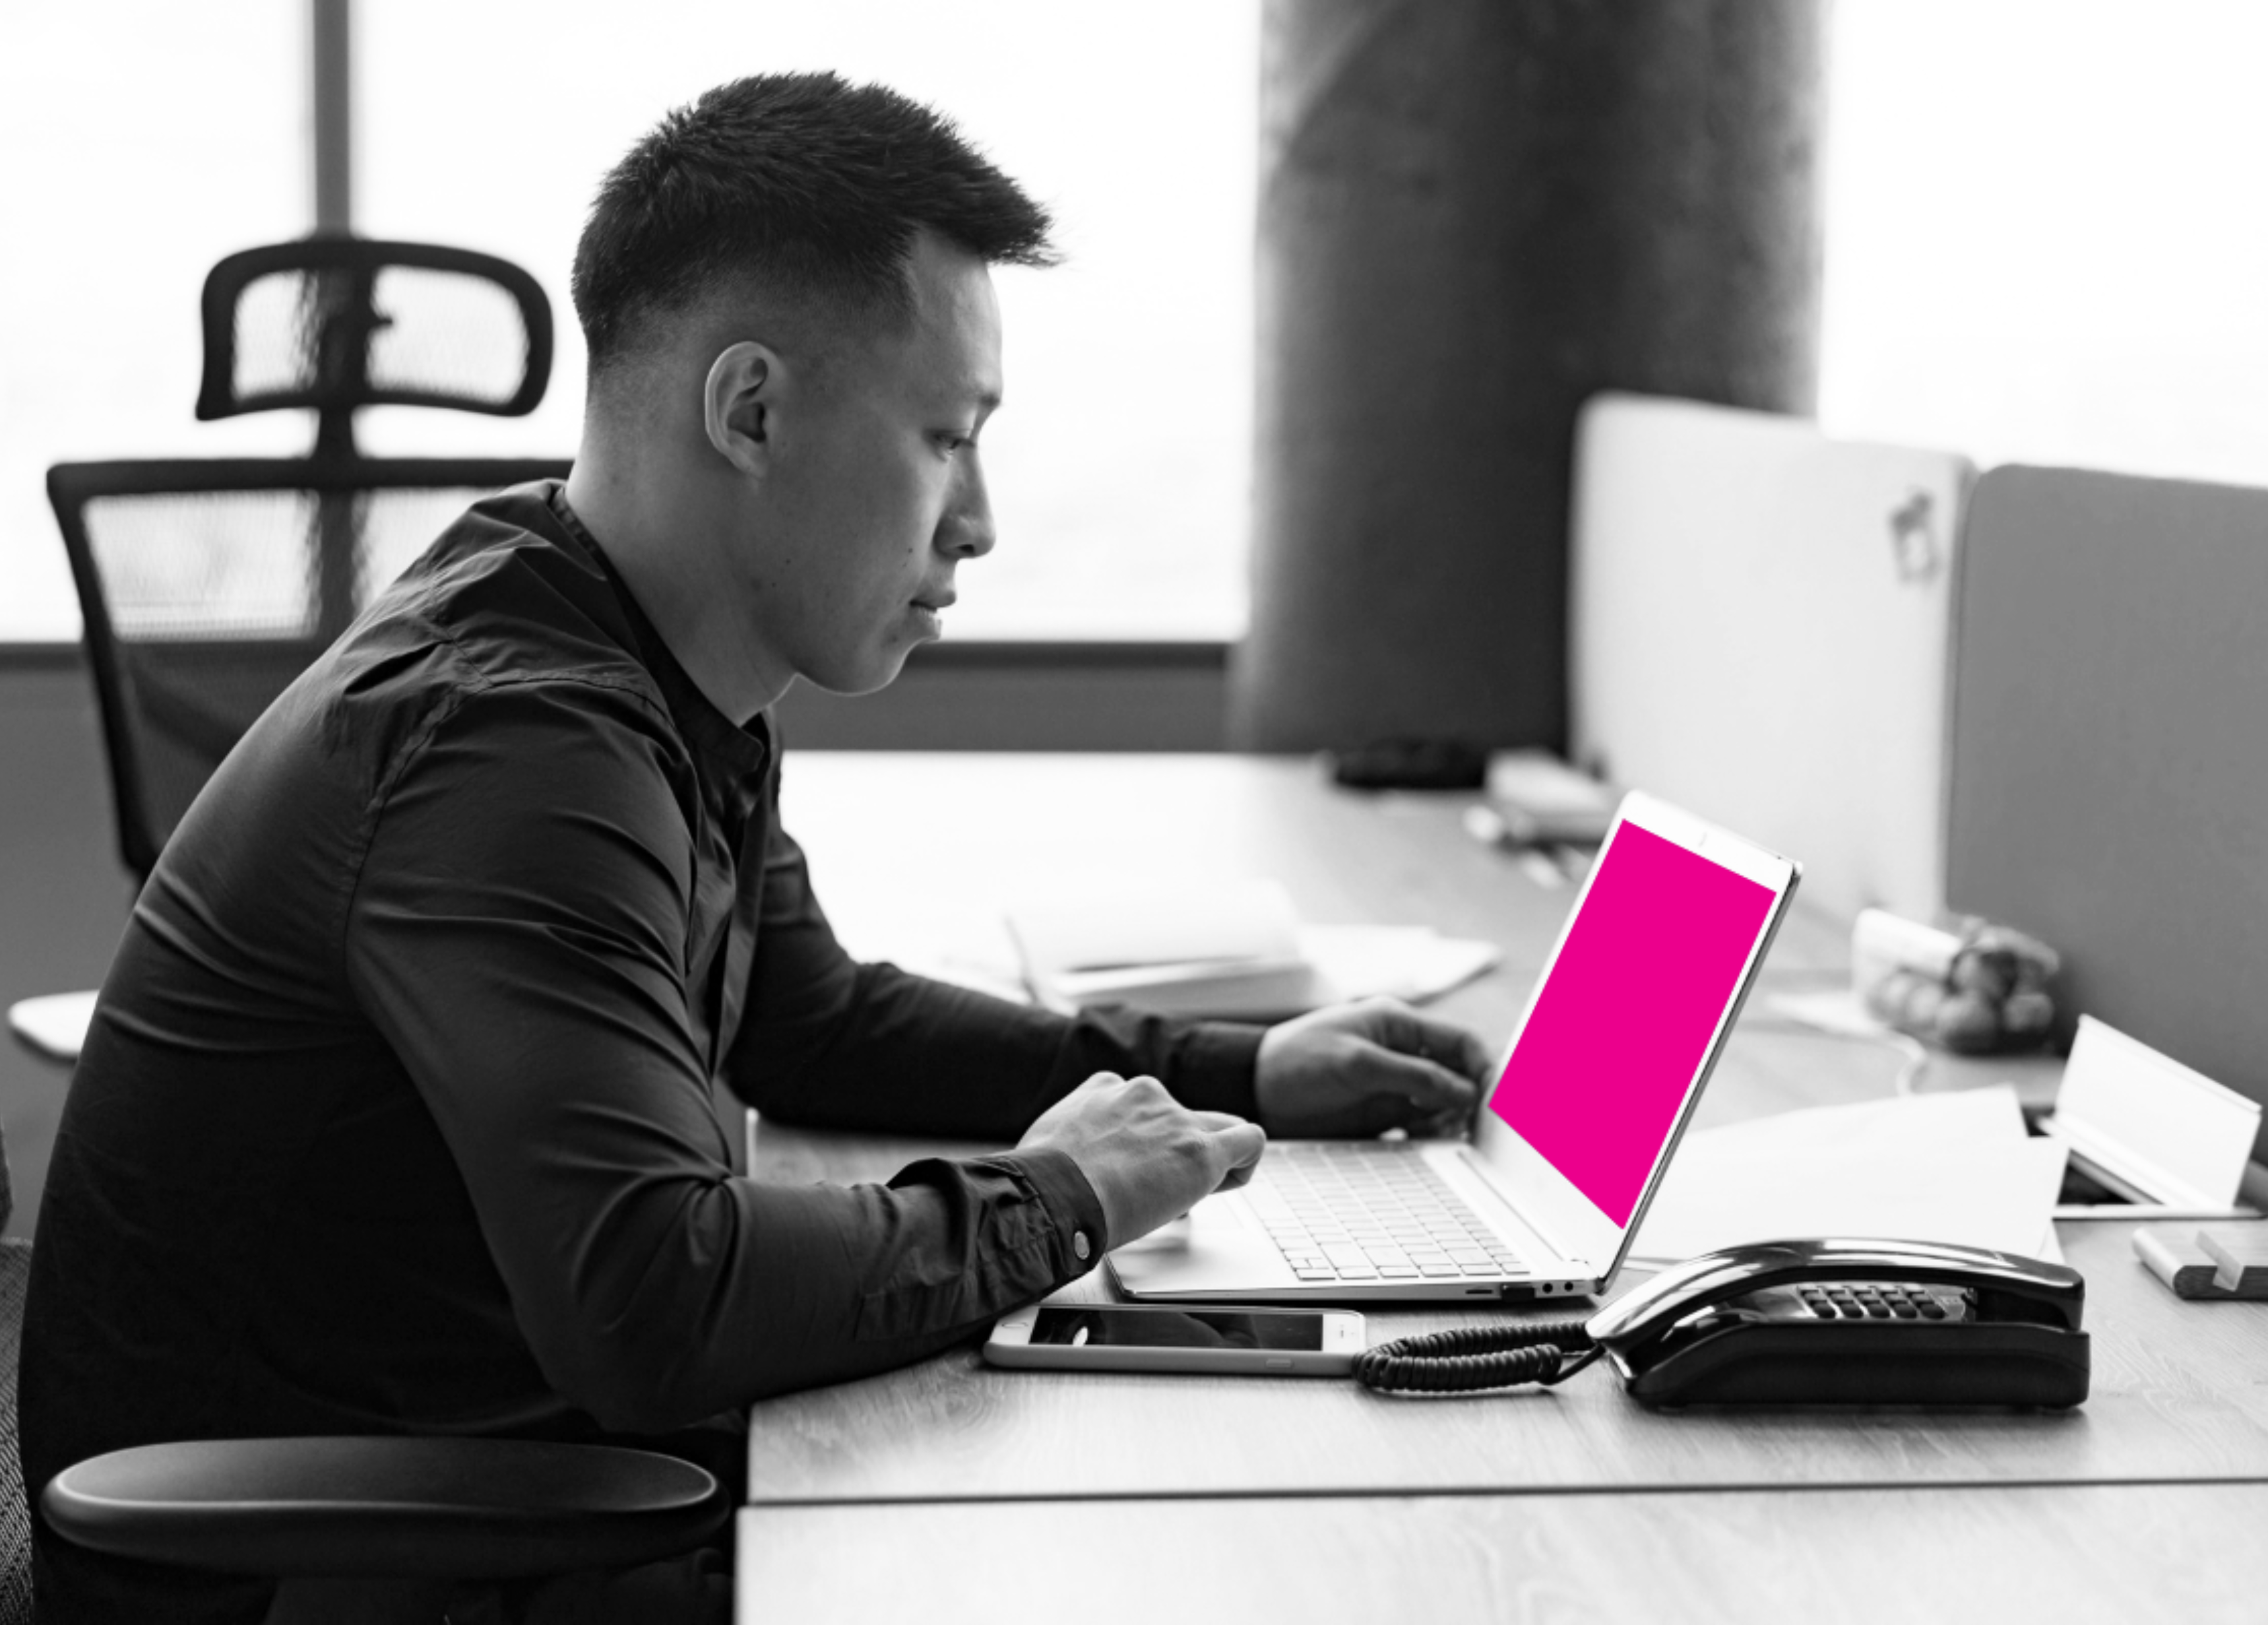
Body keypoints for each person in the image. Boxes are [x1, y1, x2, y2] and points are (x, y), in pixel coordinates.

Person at [18, 73, 1496, 1622]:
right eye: (947, 438)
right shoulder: (518, 745)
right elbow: (660, 1298)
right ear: (750, 410)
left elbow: (811, 1016)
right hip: (317, 1559)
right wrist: (1060, 1198)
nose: (978, 521)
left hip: (462, 1456)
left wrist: (1239, 1070)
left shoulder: (639, 651)